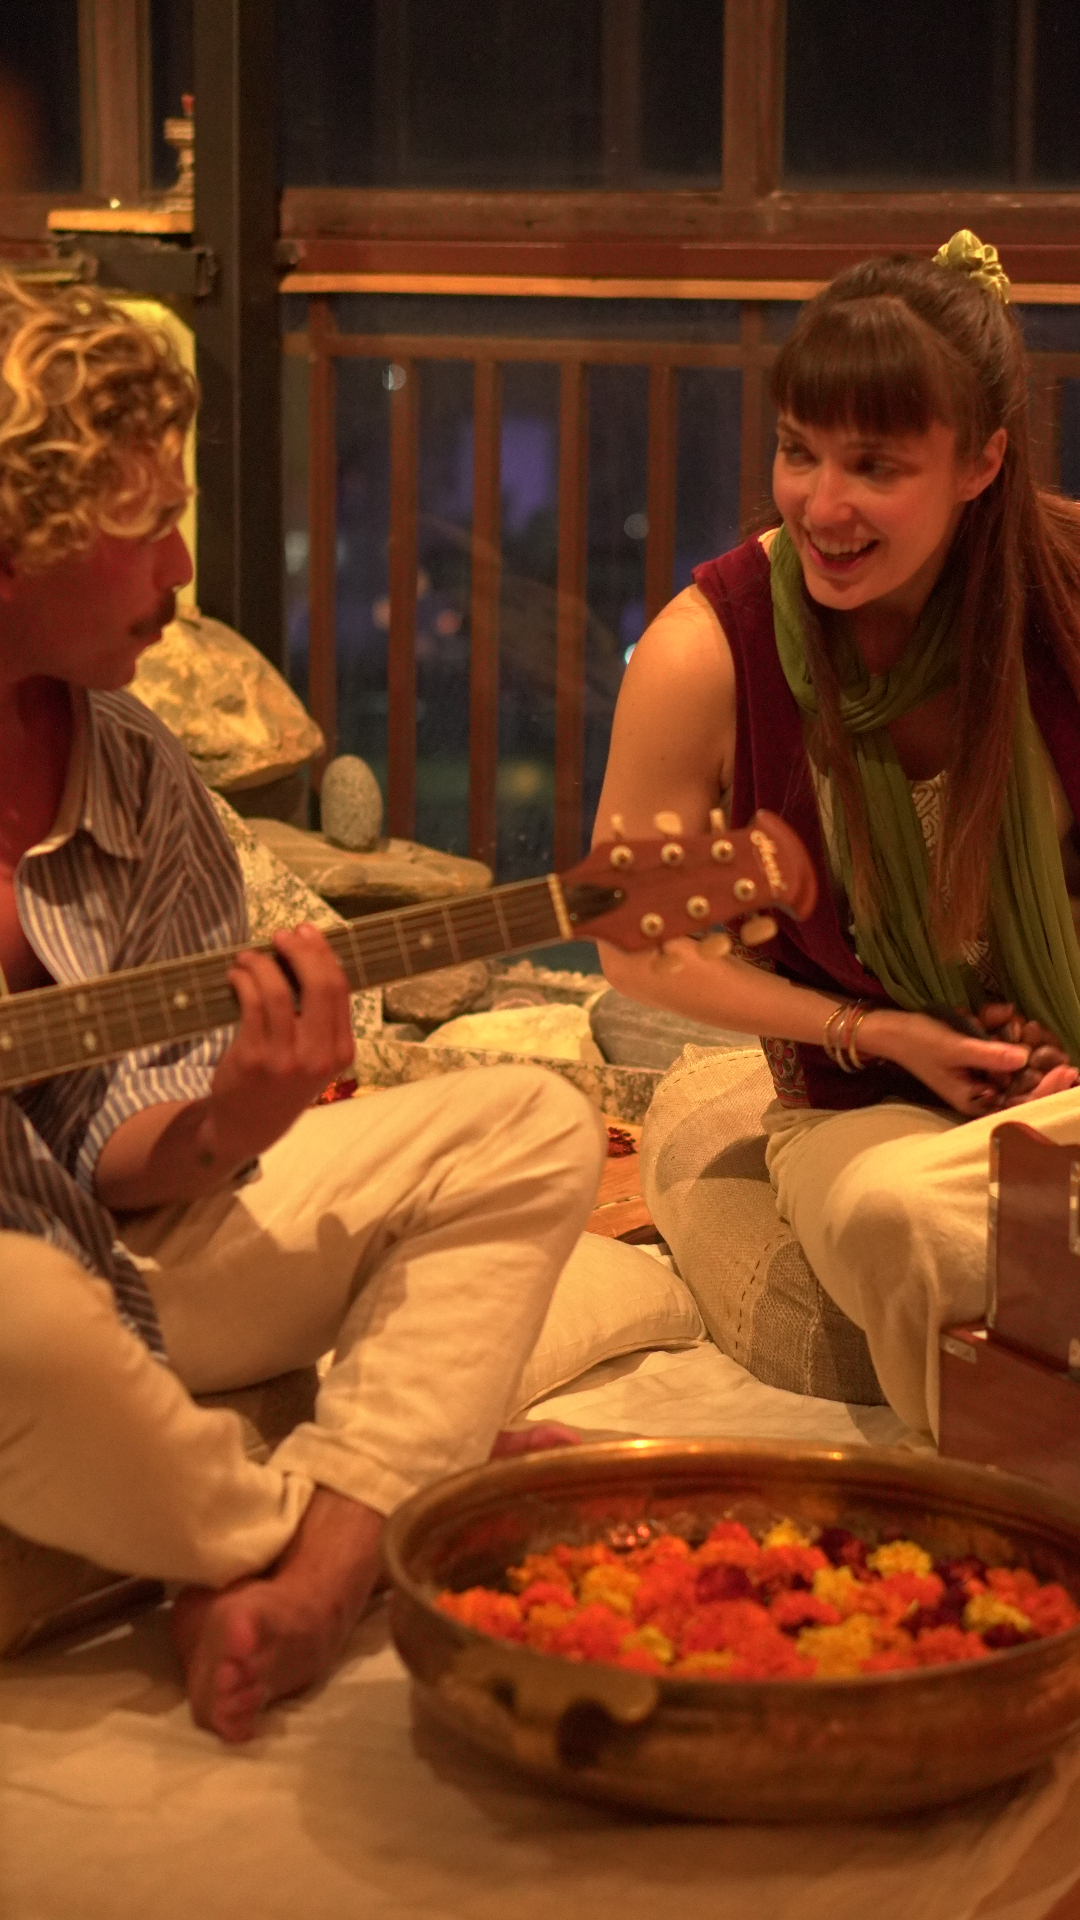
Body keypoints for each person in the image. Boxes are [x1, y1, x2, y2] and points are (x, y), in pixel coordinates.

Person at [0, 273, 606, 1742]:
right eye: (145, 525)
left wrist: (230, 1119)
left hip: (117, 1256)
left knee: (528, 1124)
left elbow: (115, 1152)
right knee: (31, 1330)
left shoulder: (136, 774)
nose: (184, 564)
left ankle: (296, 1567)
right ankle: (305, 1531)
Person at [594, 231, 1080, 1444]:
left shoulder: (1063, 589)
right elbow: (638, 946)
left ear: (981, 463)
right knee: (900, 1219)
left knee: (1024, 1188)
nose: (822, 502)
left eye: (875, 465)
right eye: (798, 452)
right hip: (867, 1102)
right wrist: (872, 1030)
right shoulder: (713, 649)